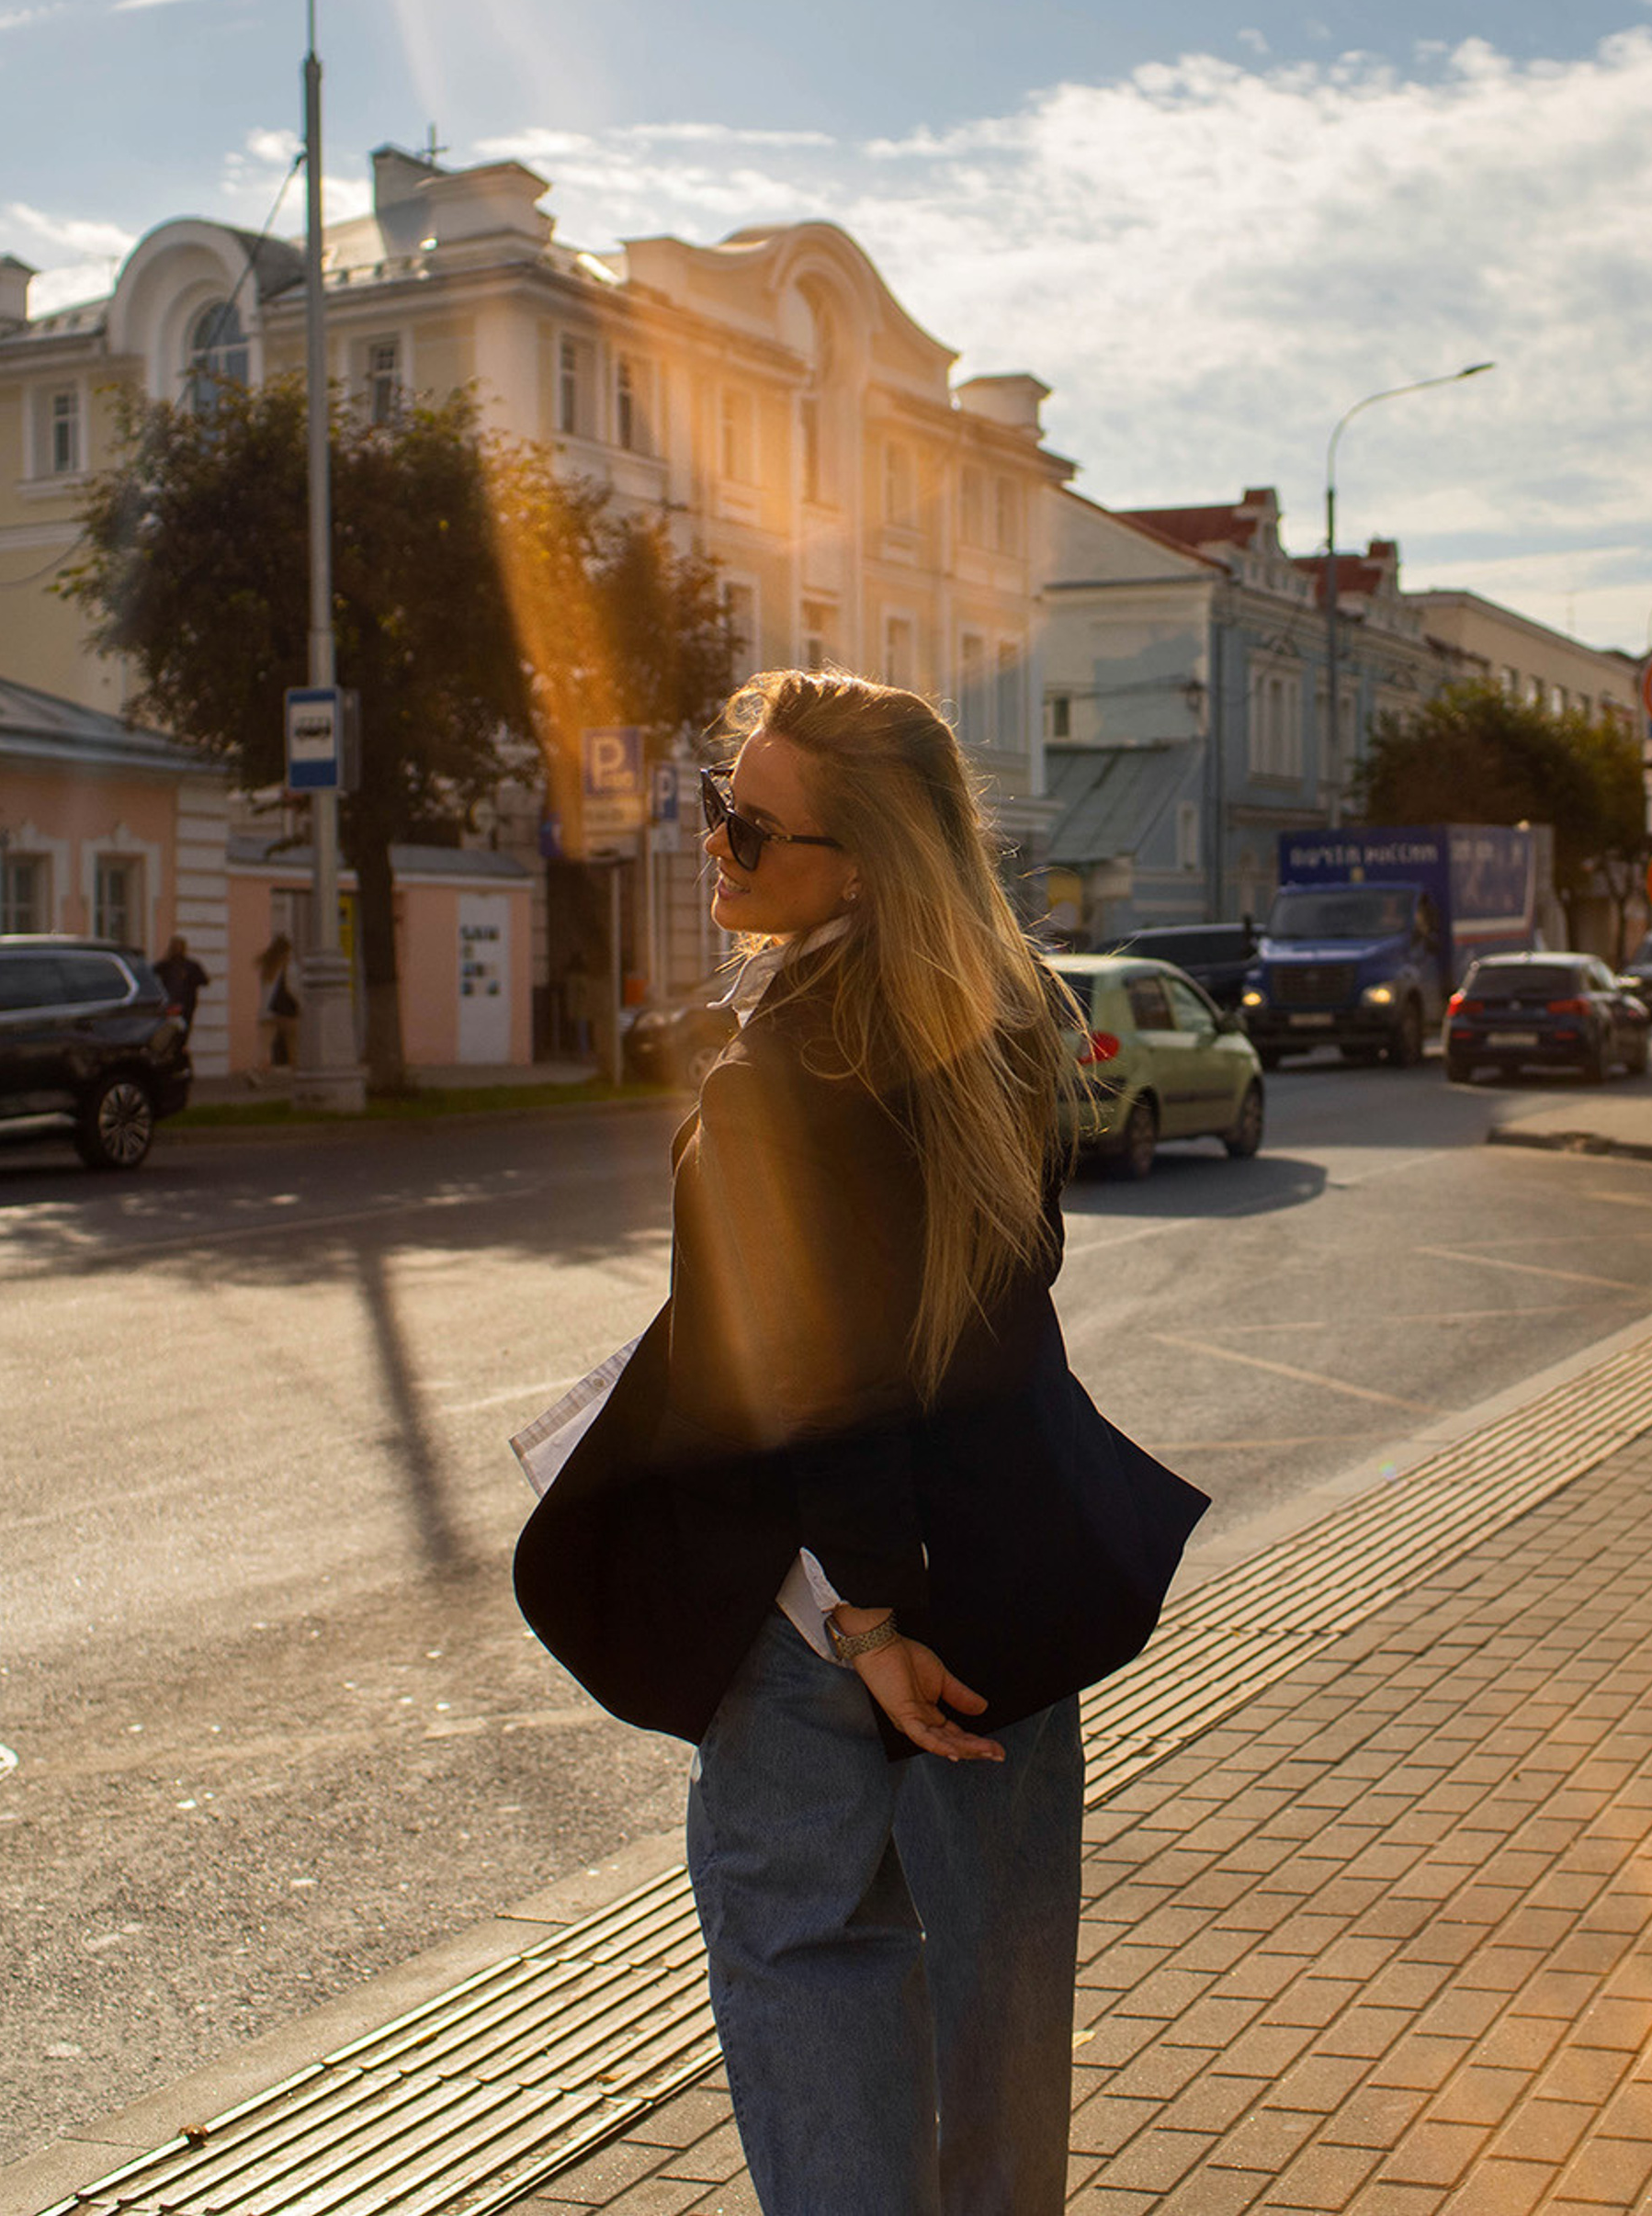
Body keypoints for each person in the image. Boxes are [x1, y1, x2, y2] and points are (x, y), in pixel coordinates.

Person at [514, 669, 1207, 2216]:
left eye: (750, 832)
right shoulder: (1015, 1033)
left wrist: (873, 1612)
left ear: (867, 870)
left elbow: (813, 1377)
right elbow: (972, 1330)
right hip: (1009, 1596)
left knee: (810, 1964)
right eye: (716, 812)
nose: (716, 850)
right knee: (1003, 1990)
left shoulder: (789, 1071)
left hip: (828, 1608)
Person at [256, 933, 300, 1069]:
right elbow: (292, 988)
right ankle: (296, 1071)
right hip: (286, 1011)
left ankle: (256, 1070)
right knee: (293, 1042)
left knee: (264, 1044)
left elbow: (264, 988)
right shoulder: (288, 966)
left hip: (266, 1010)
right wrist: (300, 1003)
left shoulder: (267, 965)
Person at [153, 935, 209, 1035]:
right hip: (168, 1005)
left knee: (184, 1032)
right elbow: (152, 977)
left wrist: (190, 978)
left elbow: (204, 981)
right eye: (175, 947)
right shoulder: (164, 966)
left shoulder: (191, 966)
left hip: (186, 1005)